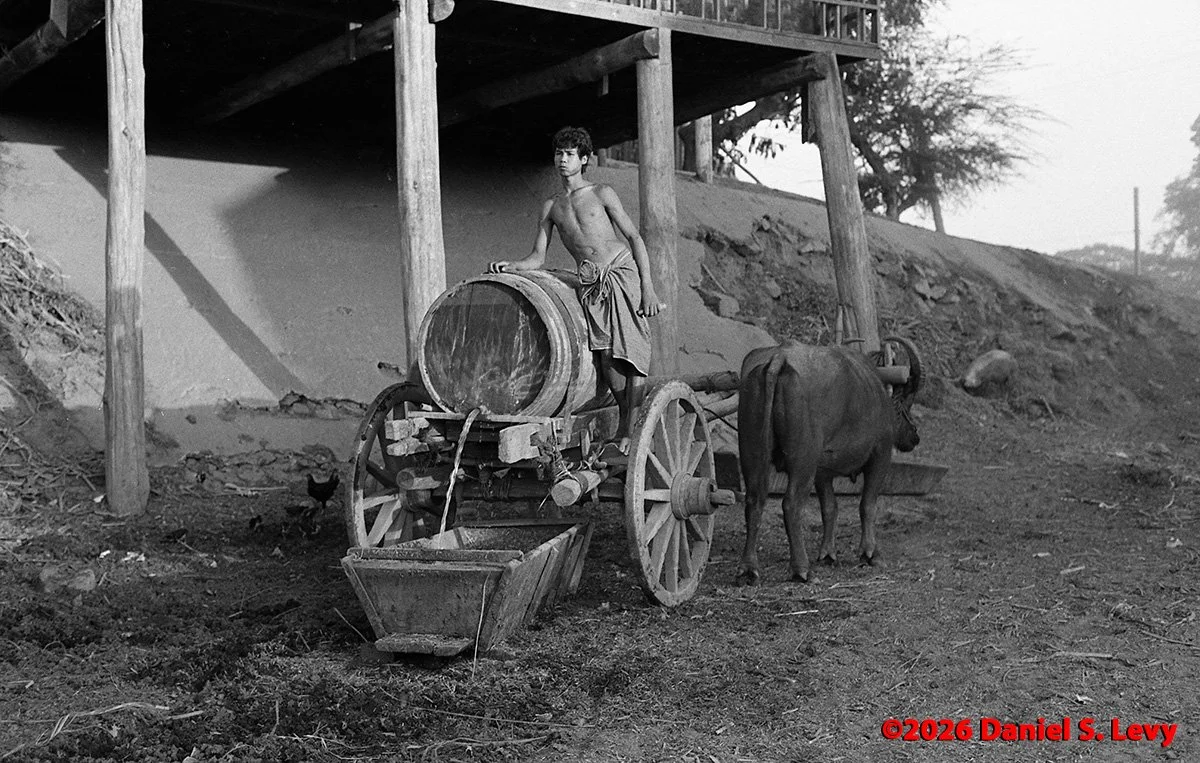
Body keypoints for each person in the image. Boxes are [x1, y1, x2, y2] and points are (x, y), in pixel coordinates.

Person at [488, 126, 666, 452]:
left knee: (631, 353)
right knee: (608, 361)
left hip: (622, 272)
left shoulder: (602, 192)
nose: (563, 160)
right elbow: (537, 258)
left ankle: (629, 430)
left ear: (584, 159)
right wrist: (512, 266)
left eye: (570, 154)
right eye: (559, 153)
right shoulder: (551, 207)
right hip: (591, 284)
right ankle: (628, 423)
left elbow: (635, 238)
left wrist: (648, 288)